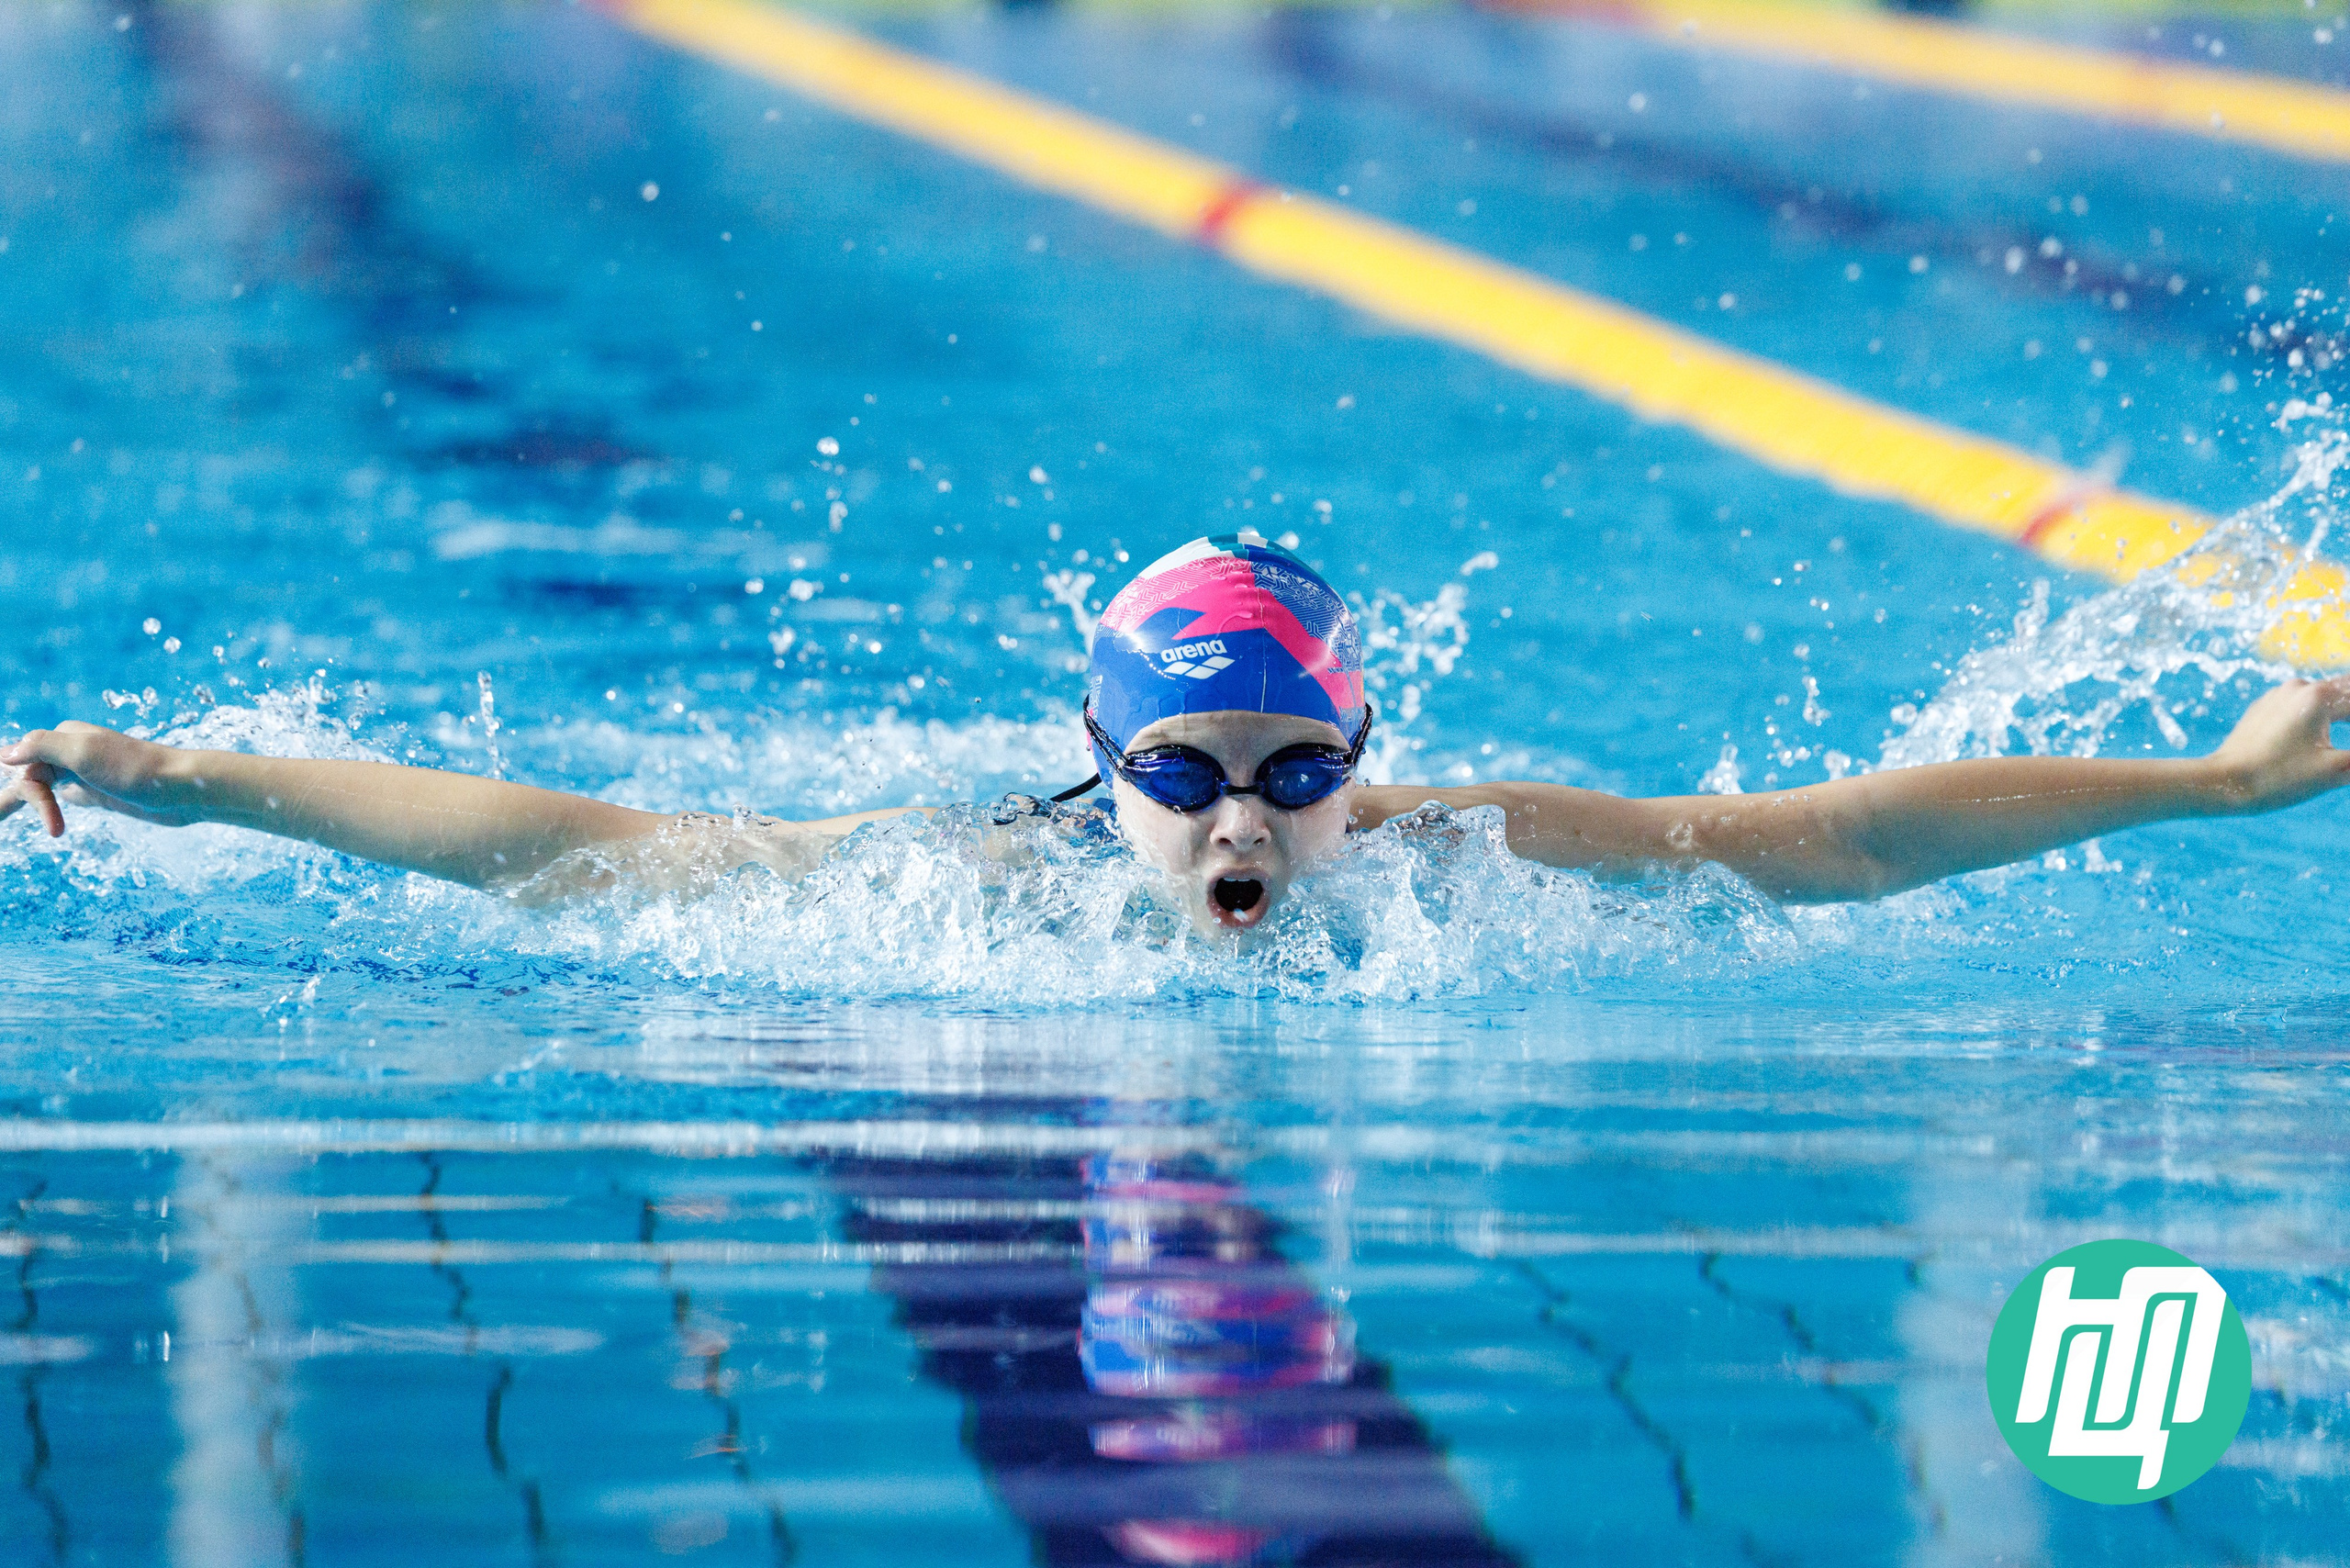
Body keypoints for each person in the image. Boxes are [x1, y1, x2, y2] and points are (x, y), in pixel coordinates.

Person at [4, 532, 2346, 936]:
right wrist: (173, 766)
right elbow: (552, 843)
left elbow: (1821, 842)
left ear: (1367, 748)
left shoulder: (1457, 856)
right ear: (1097, 760)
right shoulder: (956, 888)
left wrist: (2228, 783)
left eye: (1294, 773)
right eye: (1184, 772)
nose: (1244, 822)